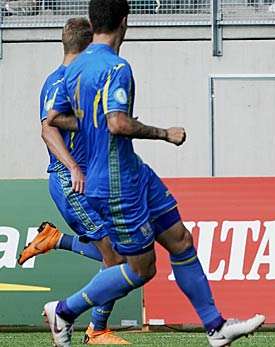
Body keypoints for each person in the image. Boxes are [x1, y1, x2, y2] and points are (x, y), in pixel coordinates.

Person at [43, 1, 264, 346]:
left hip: (134, 173)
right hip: (115, 185)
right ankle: (64, 311)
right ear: (125, 22)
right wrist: (164, 133)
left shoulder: (74, 68)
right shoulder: (117, 67)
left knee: (181, 240)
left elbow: (53, 119)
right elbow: (117, 123)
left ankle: (215, 326)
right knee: (141, 269)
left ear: (92, 20)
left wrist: (90, 126)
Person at [19, 17, 130, 345]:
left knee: (119, 252)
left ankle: (56, 240)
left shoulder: (67, 77)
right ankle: (95, 328)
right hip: (72, 182)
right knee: (118, 258)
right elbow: (48, 129)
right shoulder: (63, 82)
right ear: (86, 46)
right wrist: (74, 169)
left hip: (86, 180)